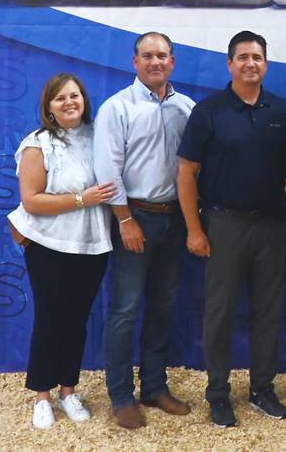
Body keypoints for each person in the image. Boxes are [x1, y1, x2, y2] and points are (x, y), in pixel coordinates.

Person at [177, 31, 286, 428]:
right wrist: (194, 228)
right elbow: (186, 172)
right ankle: (218, 394)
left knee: (268, 312)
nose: (250, 63)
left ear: (266, 64)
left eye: (257, 57)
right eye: (242, 57)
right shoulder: (209, 111)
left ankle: (262, 389)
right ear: (229, 64)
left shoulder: (281, 110)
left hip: (273, 225)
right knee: (220, 313)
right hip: (224, 224)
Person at [94, 32, 195, 429]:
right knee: (124, 309)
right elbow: (107, 170)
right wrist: (125, 220)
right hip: (134, 217)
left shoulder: (186, 108)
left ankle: (154, 386)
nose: (156, 62)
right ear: (134, 62)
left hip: (175, 218)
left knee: (163, 305)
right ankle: (121, 395)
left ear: (173, 62)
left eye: (163, 56)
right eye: (148, 55)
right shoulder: (116, 108)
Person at [8, 73, 117, 429]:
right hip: (49, 245)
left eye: (74, 96)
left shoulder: (99, 138)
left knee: (76, 319)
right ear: (49, 108)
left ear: (84, 100)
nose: (69, 102)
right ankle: (42, 395)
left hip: (93, 244)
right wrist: (83, 199)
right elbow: (32, 200)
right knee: (50, 318)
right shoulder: (38, 143)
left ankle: (69, 391)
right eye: (60, 99)